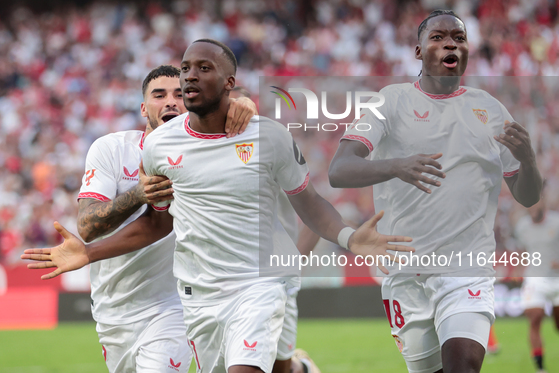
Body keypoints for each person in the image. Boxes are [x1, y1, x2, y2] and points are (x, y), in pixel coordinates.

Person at [22, 38, 413, 373]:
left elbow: (308, 202)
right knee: (277, 365)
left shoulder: (261, 134)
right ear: (143, 108)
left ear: (227, 84)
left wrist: (342, 239)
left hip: (227, 290)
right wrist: (94, 245)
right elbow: (144, 225)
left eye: (189, 81)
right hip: (186, 296)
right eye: (165, 90)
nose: (179, 91)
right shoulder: (142, 150)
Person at [328, 9, 543, 373]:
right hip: (404, 273)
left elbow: (527, 195)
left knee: (463, 367)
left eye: (459, 38)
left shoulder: (489, 109)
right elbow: (339, 170)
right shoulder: (389, 101)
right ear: (418, 51)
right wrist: (397, 165)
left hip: (467, 266)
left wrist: (528, 159)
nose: (451, 44)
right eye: (439, 37)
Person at [74, 64, 257, 373]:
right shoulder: (111, 150)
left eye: (180, 94)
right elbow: (88, 226)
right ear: (145, 108)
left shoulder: (207, 153)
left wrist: (245, 102)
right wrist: (138, 195)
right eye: (159, 95)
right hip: (112, 309)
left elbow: (243, 113)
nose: (171, 101)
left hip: (174, 305)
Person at [230, 86, 321, 373]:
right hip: (218, 280)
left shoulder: (270, 145)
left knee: (278, 368)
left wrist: (290, 265)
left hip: (270, 280)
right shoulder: (199, 151)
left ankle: (301, 367)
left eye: (237, 105)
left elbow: (316, 214)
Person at [514, 188, 559, 373]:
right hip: (535, 279)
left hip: (557, 279)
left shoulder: (556, 223)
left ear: (543, 203)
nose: (532, 208)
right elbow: (521, 250)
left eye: (535, 204)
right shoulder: (522, 226)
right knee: (535, 317)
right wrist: (518, 267)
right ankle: (540, 368)